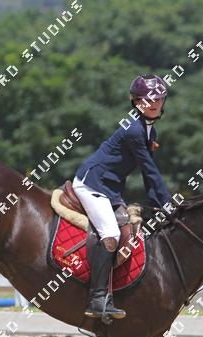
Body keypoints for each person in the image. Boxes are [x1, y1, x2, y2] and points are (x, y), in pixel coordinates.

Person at [73, 74, 175, 319]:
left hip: (110, 187)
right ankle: (98, 299)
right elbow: (149, 170)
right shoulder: (134, 130)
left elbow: (148, 174)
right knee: (111, 234)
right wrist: (166, 203)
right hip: (92, 184)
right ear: (136, 101)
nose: (154, 103)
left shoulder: (149, 130)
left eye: (158, 99)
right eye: (147, 99)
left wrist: (159, 204)